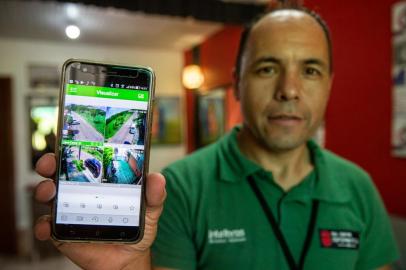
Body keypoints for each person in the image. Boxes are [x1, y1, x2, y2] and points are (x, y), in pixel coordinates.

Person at [34, 5, 399, 270]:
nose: (289, 90)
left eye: (310, 70)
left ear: (329, 85)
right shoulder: (180, 186)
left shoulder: (358, 186)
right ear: (236, 82)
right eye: (268, 68)